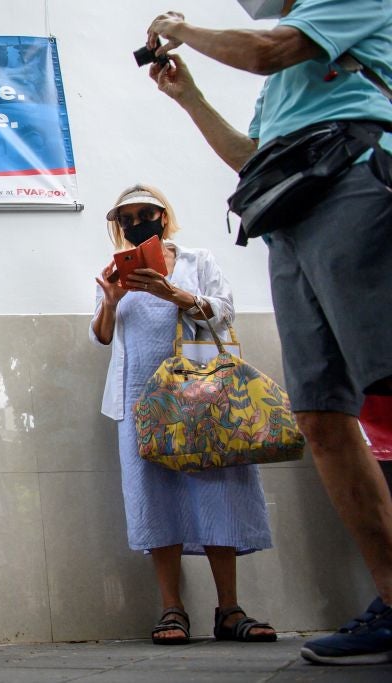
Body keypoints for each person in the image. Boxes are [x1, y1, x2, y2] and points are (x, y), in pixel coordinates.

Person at [145, 0, 392, 664]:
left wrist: (185, 31)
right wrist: (188, 95)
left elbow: (268, 49)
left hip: (358, 185)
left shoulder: (346, 4)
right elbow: (249, 156)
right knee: (320, 415)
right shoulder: (282, 91)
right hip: (287, 214)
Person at [91, 184, 277, 646]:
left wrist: (173, 293)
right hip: (139, 400)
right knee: (153, 497)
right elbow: (101, 335)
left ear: (162, 215)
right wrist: (112, 299)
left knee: (217, 491)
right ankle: (171, 609)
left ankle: (229, 610)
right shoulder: (115, 270)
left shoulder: (198, 262)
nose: (137, 223)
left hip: (203, 395)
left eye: (145, 213)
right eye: (126, 217)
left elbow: (226, 313)